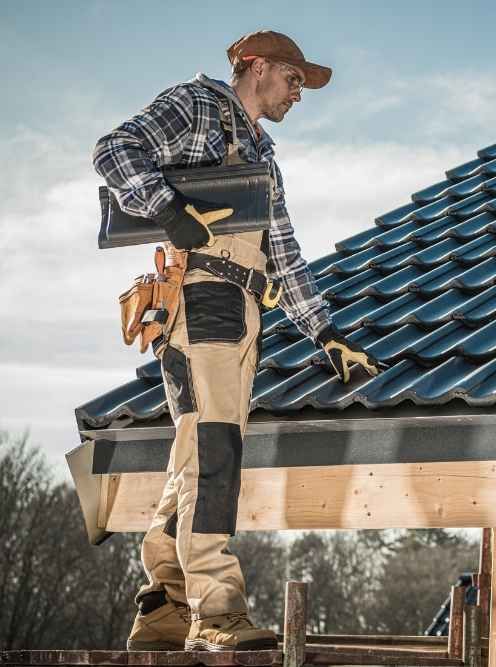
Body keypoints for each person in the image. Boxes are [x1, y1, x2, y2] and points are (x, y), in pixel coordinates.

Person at [92, 30, 381, 652]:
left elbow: (284, 252)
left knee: (197, 456)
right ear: (255, 67)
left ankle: (163, 607)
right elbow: (114, 151)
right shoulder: (197, 106)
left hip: (243, 309)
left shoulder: (262, 154)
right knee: (216, 454)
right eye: (294, 79)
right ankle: (216, 612)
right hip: (202, 301)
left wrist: (325, 333)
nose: (299, 93)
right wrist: (168, 209)